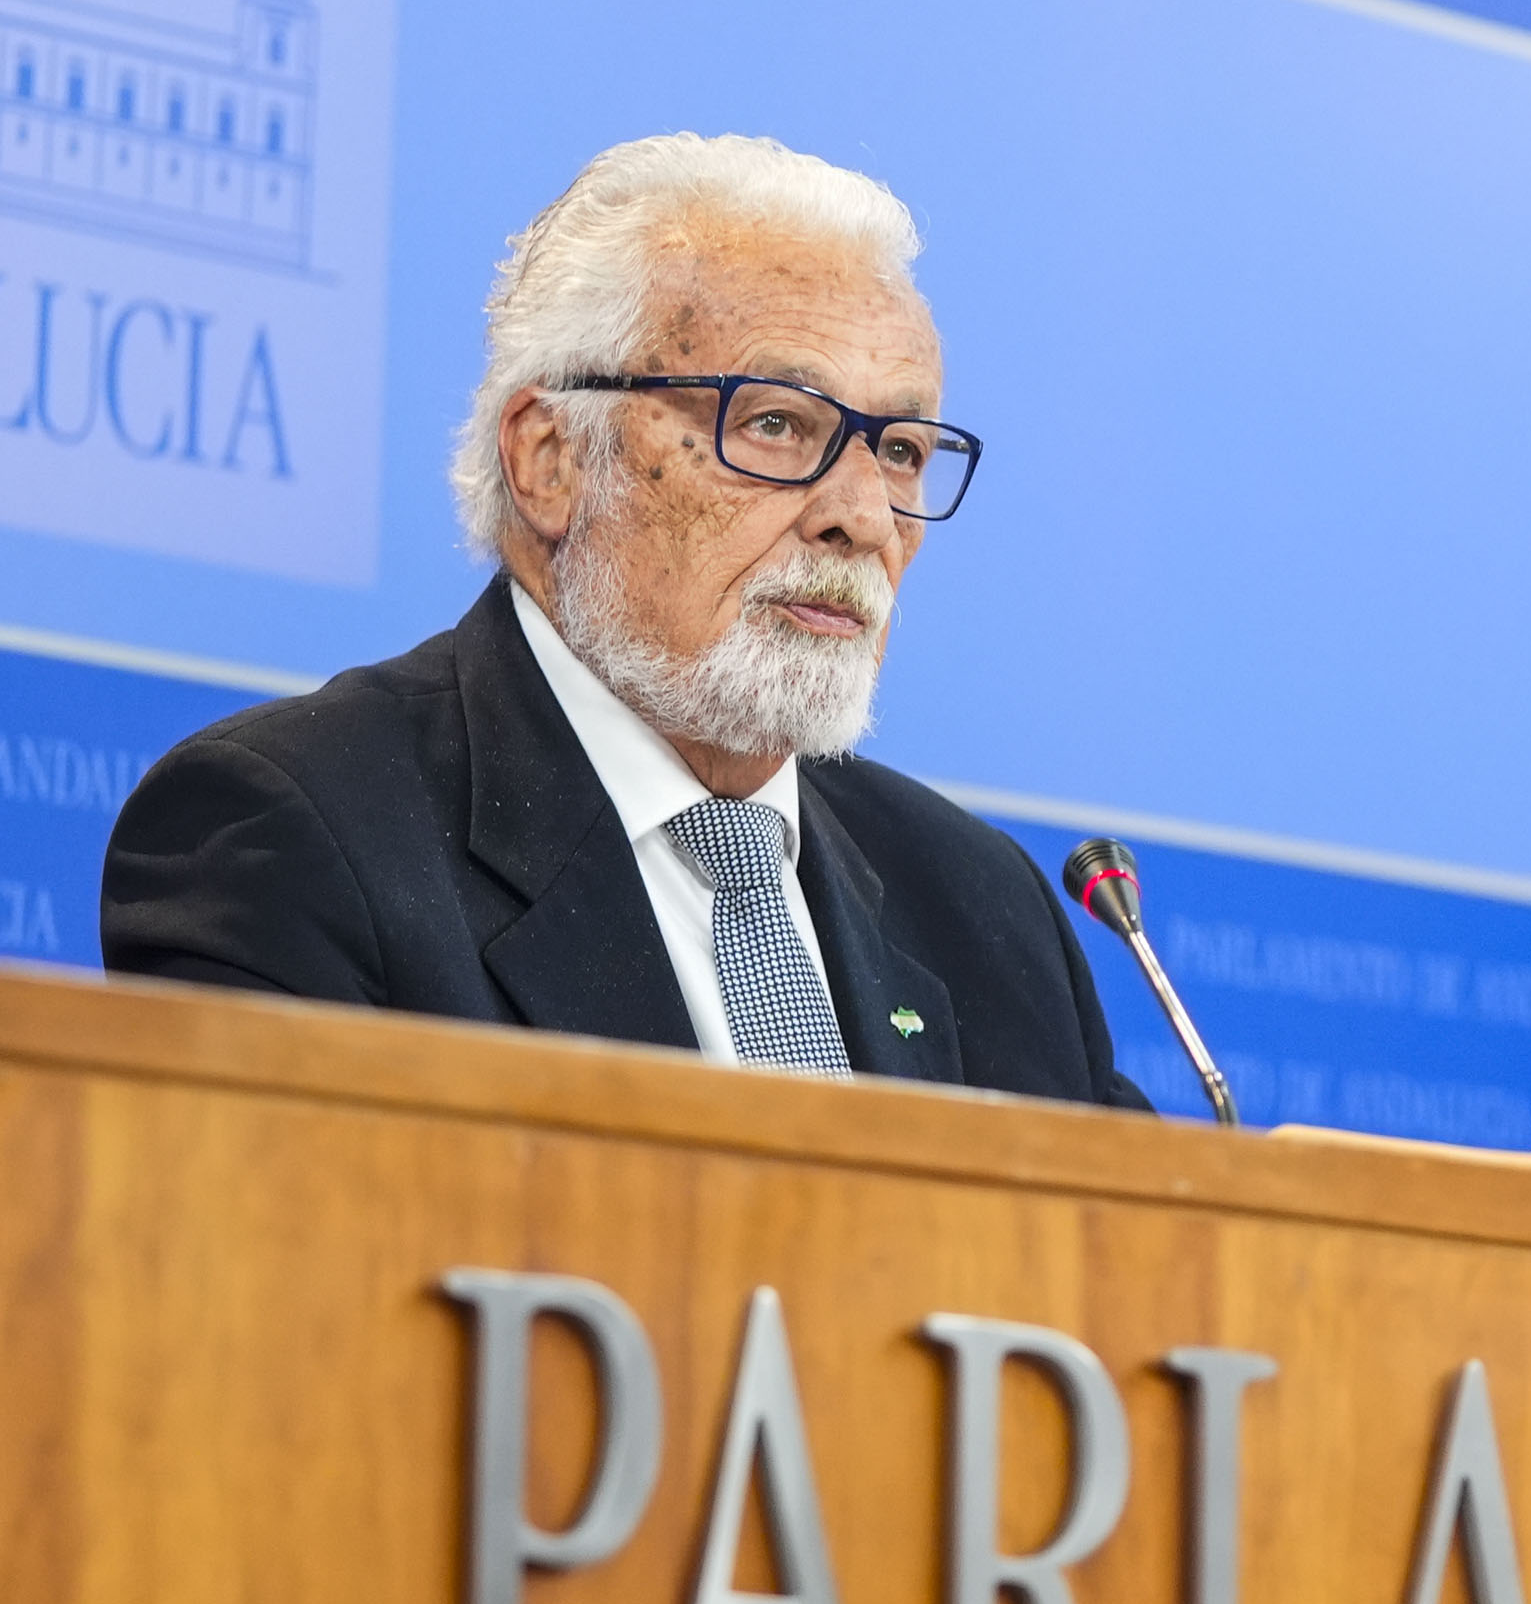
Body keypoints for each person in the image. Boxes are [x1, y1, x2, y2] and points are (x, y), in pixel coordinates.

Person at [100, 133, 1146, 1108]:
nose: (865, 516)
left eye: (903, 449)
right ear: (552, 459)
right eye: (778, 425)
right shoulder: (296, 835)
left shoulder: (984, 908)